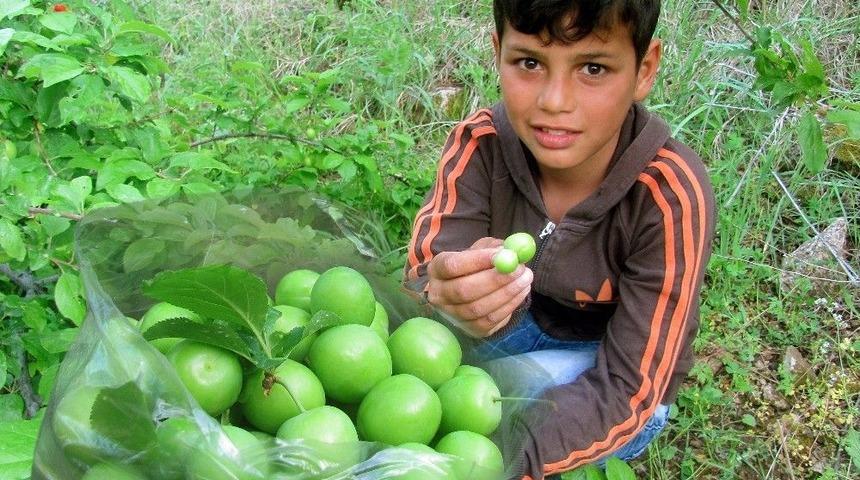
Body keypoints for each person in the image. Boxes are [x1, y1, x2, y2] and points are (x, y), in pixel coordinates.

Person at [403, 1, 716, 478]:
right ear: (497, 52)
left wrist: (508, 457)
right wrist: (441, 292)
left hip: (606, 367)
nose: (554, 100)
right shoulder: (481, 144)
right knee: (419, 365)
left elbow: (631, 387)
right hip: (507, 332)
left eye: (593, 67)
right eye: (529, 62)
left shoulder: (668, 193)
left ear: (644, 70)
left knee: (491, 407)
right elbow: (425, 280)